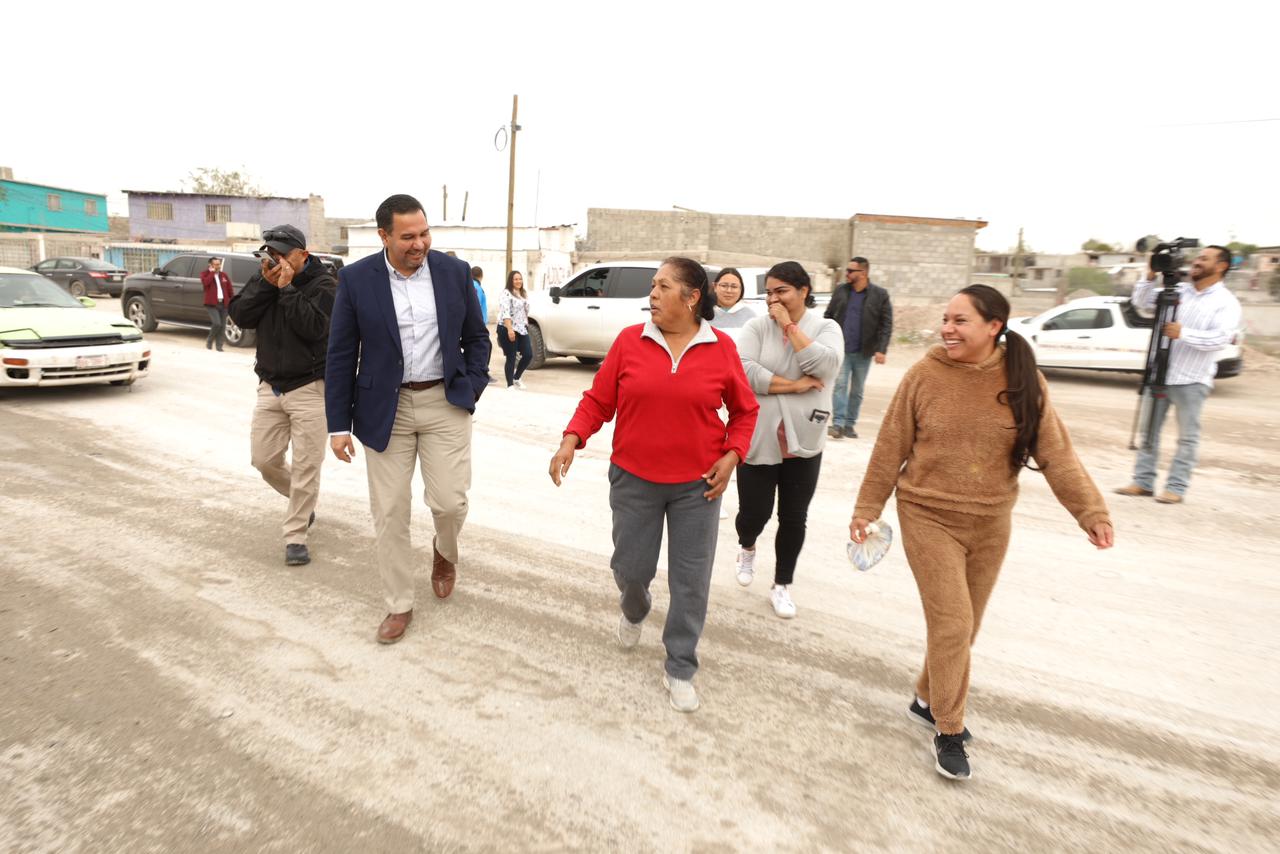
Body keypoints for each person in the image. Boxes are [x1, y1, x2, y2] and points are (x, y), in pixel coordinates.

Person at [849, 284, 1114, 781]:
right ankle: (949, 729)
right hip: (927, 514)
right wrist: (868, 506)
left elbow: (1056, 453)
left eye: (960, 321)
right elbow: (890, 446)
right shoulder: (924, 375)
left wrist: (1090, 512)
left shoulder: (1023, 379)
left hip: (992, 520)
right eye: (945, 319)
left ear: (994, 326)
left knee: (964, 627)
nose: (947, 329)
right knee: (952, 624)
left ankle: (926, 698)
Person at [549, 257, 758, 713]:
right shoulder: (630, 341)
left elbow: (745, 412)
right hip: (634, 480)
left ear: (692, 297)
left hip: (697, 487)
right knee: (630, 569)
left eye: (663, 286)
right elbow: (598, 400)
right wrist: (572, 439)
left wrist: (732, 456)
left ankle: (680, 665)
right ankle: (634, 609)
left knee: (691, 582)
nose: (653, 294)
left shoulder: (721, 348)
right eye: (653, 286)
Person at [325, 194, 490, 645]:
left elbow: (477, 338)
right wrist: (338, 425)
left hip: (444, 403)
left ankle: (444, 550)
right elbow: (341, 354)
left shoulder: (454, 272)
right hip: (385, 410)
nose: (419, 244)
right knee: (390, 511)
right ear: (384, 236)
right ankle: (399, 604)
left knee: (450, 504)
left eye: (424, 233)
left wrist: (472, 386)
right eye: (408, 237)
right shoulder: (357, 279)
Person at [733, 262, 842, 618]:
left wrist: (789, 327)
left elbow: (824, 367)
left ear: (803, 291)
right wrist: (795, 385)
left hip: (804, 438)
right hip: (759, 436)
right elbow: (743, 372)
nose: (772, 299)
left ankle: (781, 584)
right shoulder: (755, 327)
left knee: (794, 517)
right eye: (768, 292)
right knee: (754, 514)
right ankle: (747, 546)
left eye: (781, 291)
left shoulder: (826, 328)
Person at [227, 225, 337, 567]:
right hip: (270, 386)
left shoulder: (325, 284)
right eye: (271, 254)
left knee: (306, 466)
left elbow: (315, 329)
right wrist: (265, 284)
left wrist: (287, 288)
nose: (276, 261)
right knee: (264, 460)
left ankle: (295, 536)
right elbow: (240, 315)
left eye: (282, 254)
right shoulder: (266, 278)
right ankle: (303, 502)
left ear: (303, 254)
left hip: (310, 387)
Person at [1115, 245, 1243, 504]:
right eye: (1197, 257)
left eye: (1204, 259)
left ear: (1221, 266)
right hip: (1159, 374)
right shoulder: (1179, 291)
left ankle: (1176, 487)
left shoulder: (1226, 302)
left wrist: (1183, 333)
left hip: (1192, 380)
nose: (1197, 262)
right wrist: (1150, 275)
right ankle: (1143, 482)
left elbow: (1220, 339)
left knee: (1187, 438)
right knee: (1148, 432)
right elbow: (1141, 302)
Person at [824, 257, 893, 438]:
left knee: (857, 390)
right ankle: (838, 424)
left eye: (850, 271)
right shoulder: (841, 291)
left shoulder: (880, 295)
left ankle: (849, 424)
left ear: (863, 273)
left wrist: (881, 349)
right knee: (840, 385)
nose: (846, 274)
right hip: (841, 349)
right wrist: (828, 338)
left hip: (864, 351)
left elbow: (886, 324)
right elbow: (828, 315)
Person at [497, 270, 533, 389]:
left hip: (522, 328)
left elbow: (524, 310)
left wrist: (526, 322)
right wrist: (510, 330)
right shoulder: (506, 293)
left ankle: (516, 377)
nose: (518, 281)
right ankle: (510, 385)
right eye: (516, 279)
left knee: (528, 354)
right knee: (511, 356)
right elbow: (505, 312)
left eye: (520, 279)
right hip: (507, 328)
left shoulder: (523, 293)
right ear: (511, 281)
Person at [708, 267, 756, 339]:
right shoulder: (704, 314)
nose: (729, 291)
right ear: (715, 287)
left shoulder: (750, 316)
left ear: (741, 289)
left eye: (734, 287)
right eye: (724, 286)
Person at [200, 257, 234, 351]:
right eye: (216, 264)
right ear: (210, 265)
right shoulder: (205, 274)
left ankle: (219, 346)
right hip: (211, 304)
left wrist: (232, 301)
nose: (218, 266)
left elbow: (230, 289)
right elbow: (205, 283)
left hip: (223, 304)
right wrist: (212, 273)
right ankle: (209, 340)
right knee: (217, 323)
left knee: (222, 326)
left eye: (219, 264)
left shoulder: (224, 275)